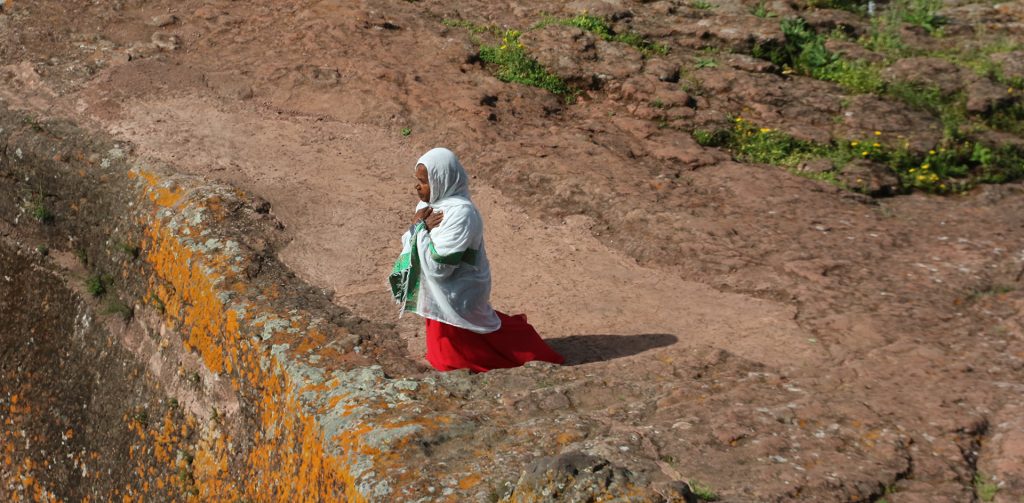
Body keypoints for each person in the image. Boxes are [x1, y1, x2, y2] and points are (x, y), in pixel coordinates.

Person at [389, 147, 565, 372]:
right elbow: (415, 238)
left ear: (442, 180)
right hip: (440, 288)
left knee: (461, 348)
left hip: (460, 286)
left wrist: (419, 230)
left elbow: (439, 267)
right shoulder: (427, 207)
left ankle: (522, 350)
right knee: (447, 336)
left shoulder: (462, 213)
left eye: (424, 182)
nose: (417, 186)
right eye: (418, 180)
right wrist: (418, 228)